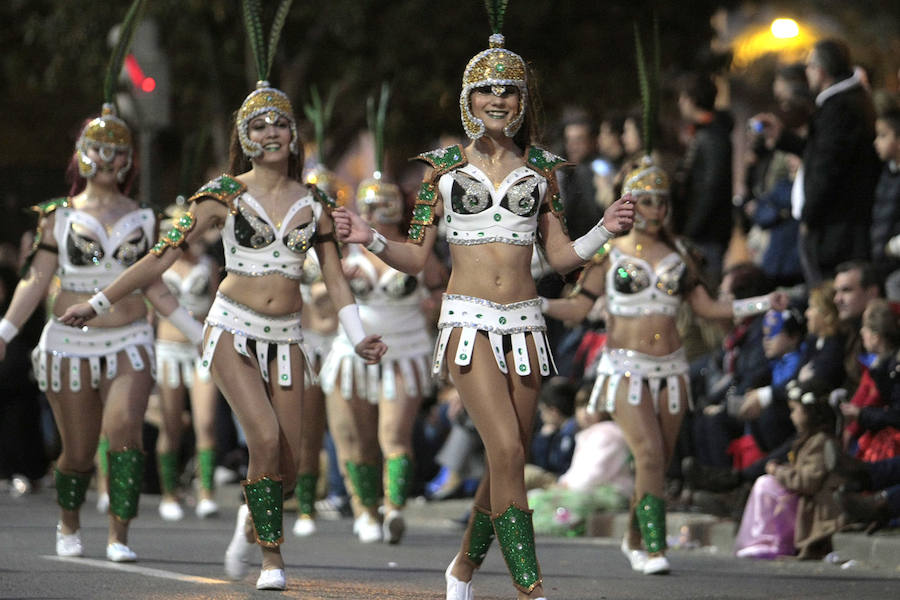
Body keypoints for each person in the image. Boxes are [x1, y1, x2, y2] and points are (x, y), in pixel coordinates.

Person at [60, 1, 386, 589]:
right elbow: (157, 260)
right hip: (231, 328)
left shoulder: (315, 202)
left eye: (278, 124)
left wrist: (360, 336)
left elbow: (336, 280)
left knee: (287, 467)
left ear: (293, 135)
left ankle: (249, 519)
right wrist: (99, 301)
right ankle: (271, 560)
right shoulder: (222, 194)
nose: (269, 133)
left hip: (287, 337)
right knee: (261, 437)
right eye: (257, 126)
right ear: (244, 137)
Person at [332, 6, 634, 598]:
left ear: (523, 102)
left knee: (509, 457)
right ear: (468, 100)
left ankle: (462, 569)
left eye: (509, 92)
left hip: (525, 325)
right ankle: (531, 588)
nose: (498, 100)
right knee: (502, 448)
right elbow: (419, 261)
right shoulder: (440, 171)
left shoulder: (544, 172)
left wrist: (607, 226)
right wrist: (368, 237)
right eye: (487, 91)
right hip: (467, 322)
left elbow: (565, 258)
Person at [0, 0, 203, 563]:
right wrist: (5, 330)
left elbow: (158, 289)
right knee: (79, 452)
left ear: (129, 158)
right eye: (98, 149)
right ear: (81, 155)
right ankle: (69, 522)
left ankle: (119, 535)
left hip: (130, 338)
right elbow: (38, 279)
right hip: (68, 341)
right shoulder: (56, 216)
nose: (109, 157)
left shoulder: (146, 217)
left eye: (118, 151)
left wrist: (199, 333)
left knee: (126, 435)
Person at [584, 155, 787, 575]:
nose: (655, 209)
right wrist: (531, 301)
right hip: (624, 367)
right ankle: (656, 547)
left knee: (657, 458)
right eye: (645, 200)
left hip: (672, 371)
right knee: (650, 453)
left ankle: (634, 539)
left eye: (661, 201)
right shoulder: (607, 249)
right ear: (629, 203)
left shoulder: (682, 252)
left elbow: (711, 308)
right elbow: (577, 302)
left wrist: (765, 302)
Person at [320, 86, 444, 544]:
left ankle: (393, 508)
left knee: (394, 434)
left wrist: (437, 311)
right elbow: (320, 291)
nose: (379, 211)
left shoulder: (415, 250)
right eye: (371, 205)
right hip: (351, 350)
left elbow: (439, 286)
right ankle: (364, 509)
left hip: (405, 348)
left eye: (386, 204)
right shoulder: (339, 252)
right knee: (355, 439)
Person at [757, 39, 881, 286]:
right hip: (838, 223)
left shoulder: (840, 109)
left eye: (809, 65)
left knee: (829, 295)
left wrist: (809, 217)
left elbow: (828, 169)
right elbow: (821, 153)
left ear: (821, 70)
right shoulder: (841, 104)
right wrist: (783, 139)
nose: (807, 72)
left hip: (837, 227)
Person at [153, 199, 222, 521]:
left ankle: (206, 492)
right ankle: (169, 493)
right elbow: (150, 313)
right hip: (167, 351)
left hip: (200, 351)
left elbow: (218, 306)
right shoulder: (158, 265)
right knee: (170, 424)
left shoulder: (207, 265)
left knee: (205, 423)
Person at [735, 388, 845, 560]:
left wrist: (778, 471)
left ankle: (773, 541)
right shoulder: (808, 440)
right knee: (766, 481)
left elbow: (808, 481)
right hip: (804, 500)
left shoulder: (820, 442)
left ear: (809, 413)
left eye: (794, 410)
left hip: (814, 506)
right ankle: (762, 539)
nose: (791, 416)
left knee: (766, 484)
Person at [672, 72, 734, 285]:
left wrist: (691, 230)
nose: (680, 103)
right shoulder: (703, 134)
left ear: (693, 99)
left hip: (705, 235)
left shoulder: (712, 137)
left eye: (683, 97)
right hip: (701, 232)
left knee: (703, 291)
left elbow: (711, 187)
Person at [871, 109, 900, 300]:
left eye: (883, 135)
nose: (876, 142)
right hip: (883, 261)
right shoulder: (887, 173)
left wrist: (893, 246)